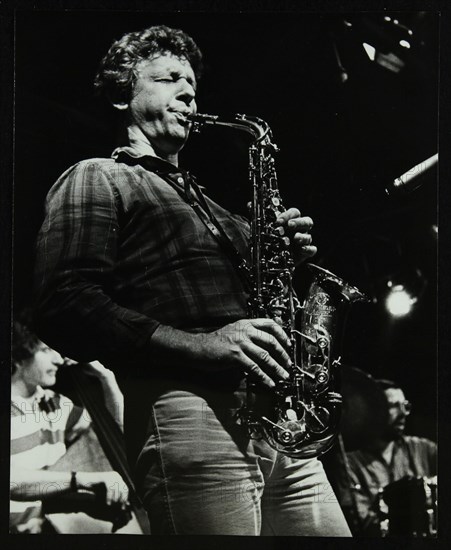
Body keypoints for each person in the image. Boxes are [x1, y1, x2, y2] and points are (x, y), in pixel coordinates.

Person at [33, 25, 351, 535]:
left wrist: (279, 259)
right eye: (168, 78)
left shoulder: (218, 209)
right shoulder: (98, 175)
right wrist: (203, 346)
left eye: (193, 84)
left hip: (278, 423)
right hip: (193, 414)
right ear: (122, 95)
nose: (188, 91)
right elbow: (63, 303)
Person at [10, 313, 129, 534]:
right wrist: (81, 481)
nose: (58, 359)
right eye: (46, 350)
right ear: (18, 355)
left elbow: (120, 430)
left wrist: (106, 378)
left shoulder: (55, 405)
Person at [337, 379, 437, 536]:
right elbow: (363, 525)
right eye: (393, 406)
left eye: (405, 406)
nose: (403, 413)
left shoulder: (424, 449)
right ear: (371, 411)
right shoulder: (350, 463)